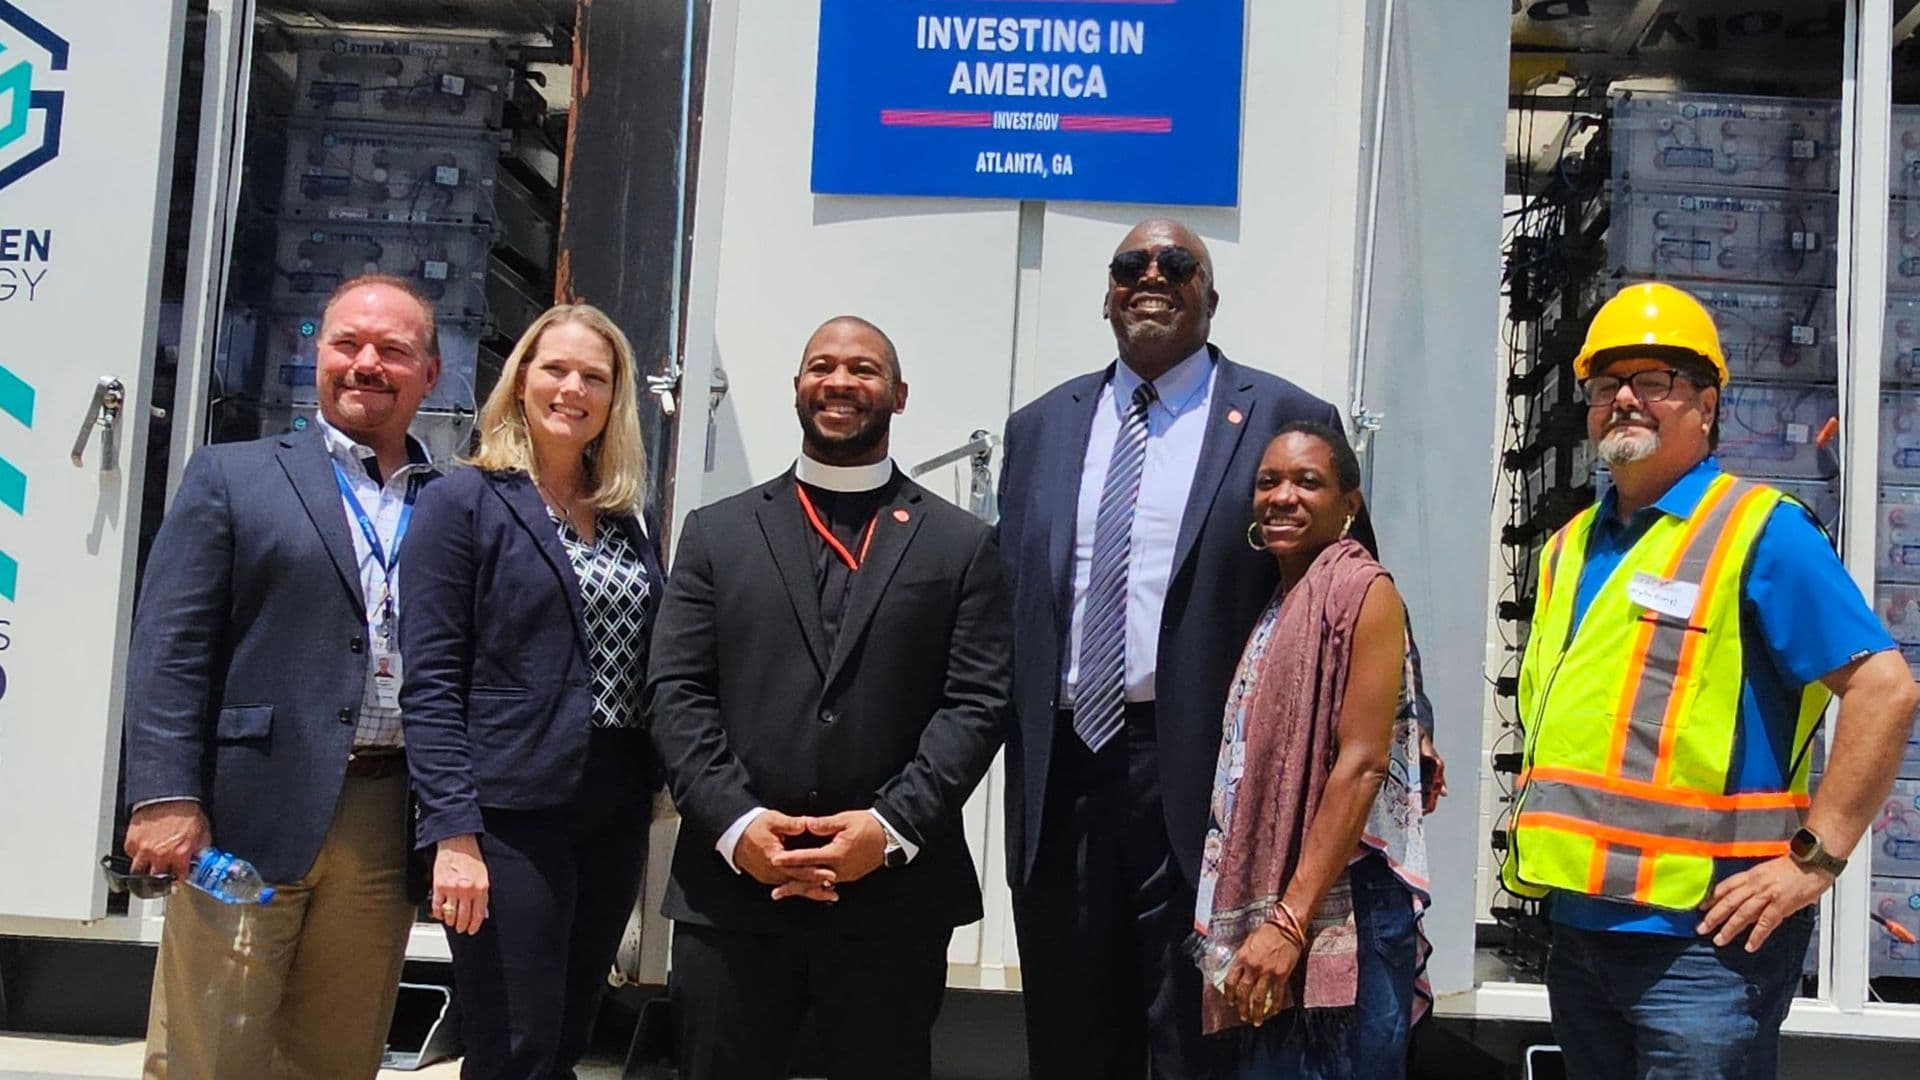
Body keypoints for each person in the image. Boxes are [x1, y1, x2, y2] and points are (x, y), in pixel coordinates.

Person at [996, 217, 1389, 1078]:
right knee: (1068, 1034)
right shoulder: (1039, 429)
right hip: (1061, 774)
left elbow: (1353, 586)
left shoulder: (1283, 417)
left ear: (1211, 295)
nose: (1153, 276)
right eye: (1131, 264)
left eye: (1179, 264)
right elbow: (1009, 601)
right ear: (1107, 293)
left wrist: (1414, 718)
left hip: (1207, 779)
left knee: (1195, 1042)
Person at [1502, 282, 1920, 1079]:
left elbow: (1886, 690)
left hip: (1704, 950)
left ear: (1706, 405)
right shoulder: (1568, 548)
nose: (1623, 400)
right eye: (1605, 385)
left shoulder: (1760, 532)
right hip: (1580, 935)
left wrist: (1813, 861)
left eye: (1654, 381)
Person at [645, 315, 1011, 1080]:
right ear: (797, 389)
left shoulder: (960, 545)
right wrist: (737, 823)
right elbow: (677, 692)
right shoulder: (718, 534)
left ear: (899, 395)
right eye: (822, 367)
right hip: (734, 892)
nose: (840, 383)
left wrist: (889, 826)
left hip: (892, 897)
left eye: (864, 369)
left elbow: (975, 704)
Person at [121, 273, 442, 1078]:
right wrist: (164, 796)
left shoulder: (455, 501)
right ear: (316, 356)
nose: (367, 363)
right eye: (347, 344)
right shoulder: (233, 476)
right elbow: (170, 647)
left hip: (382, 814)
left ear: (430, 374)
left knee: (336, 1056)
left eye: (393, 351)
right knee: (209, 1050)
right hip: (244, 812)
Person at [399, 304, 664, 1078]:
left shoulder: (623, 516)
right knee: (513, 1038)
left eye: (595, 377)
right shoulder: (464, 502)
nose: (572, 388)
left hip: (613, 802)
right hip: (508, 813)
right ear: (520, 382)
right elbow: (434, 681)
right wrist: (451, 834)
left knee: (569, 1032)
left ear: (615, 401)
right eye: (556, 369)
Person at [1195, 423, 1430, 1079]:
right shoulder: (1283, 603)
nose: (1283, 496)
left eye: (1307, 481)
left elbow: (1360, 767)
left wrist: (1289, 923)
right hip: (1289, 911)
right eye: (1269, 481)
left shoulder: (1365, 592)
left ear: (1349, 503)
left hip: (1343, 913)